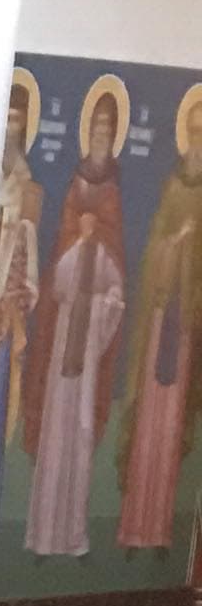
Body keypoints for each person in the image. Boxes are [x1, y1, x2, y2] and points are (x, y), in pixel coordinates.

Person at [27, 88, 128, 562]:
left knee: (82, 432)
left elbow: (117, 286)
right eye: (97, 127)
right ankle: (43, 534)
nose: (102, 134)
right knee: (56, 432)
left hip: (87, 344)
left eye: (109, 128)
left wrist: (102, 295)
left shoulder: (114, 196)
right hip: (65, 329)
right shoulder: (74, 188)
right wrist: (78, 244)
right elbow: (58, 279)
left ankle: (72, 535)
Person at [116, 92, 202, 559]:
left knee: (170, 431)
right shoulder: (172, 186)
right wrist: (175, 246)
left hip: (186, 326)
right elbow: (154, 247)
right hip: (161, 317)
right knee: (149, 422)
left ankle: (159, 531)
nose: (199, 141)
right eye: (195, 131)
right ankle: (134, 528)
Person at [0, 76, 45, 546]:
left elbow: (29, 281)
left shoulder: (27, 193)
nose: (10, 129)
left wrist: (8, 306)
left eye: (19, 121)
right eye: (6, 119)